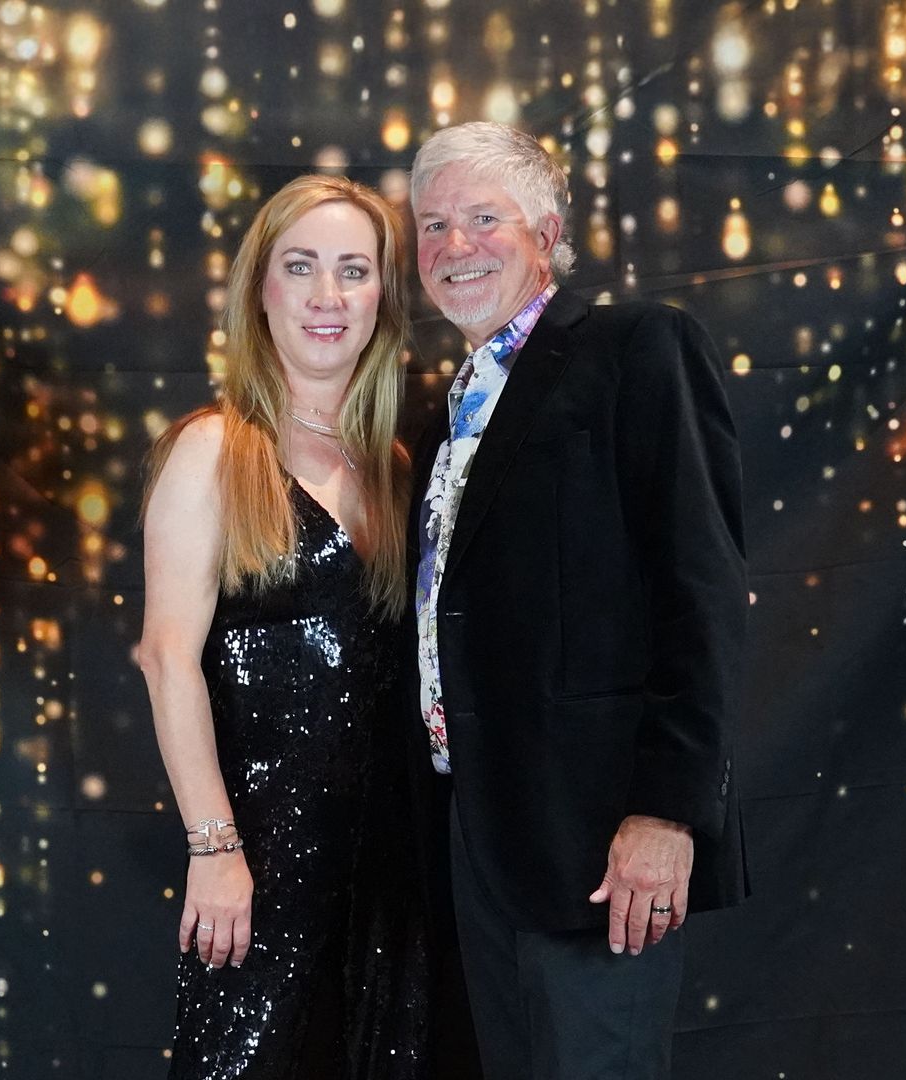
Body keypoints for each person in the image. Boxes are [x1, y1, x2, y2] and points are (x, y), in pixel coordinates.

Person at [405, 121, 750, 1080]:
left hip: (599, 840)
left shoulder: (635, 348)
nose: (456, 245)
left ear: (547, 234)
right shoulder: (445, 414)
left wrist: (667, 813)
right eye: (433, 226)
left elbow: (702, 591)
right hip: (477, 835)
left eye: (485, 219)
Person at [134, 174, 430, 1078]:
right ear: (260, 289)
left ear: (382, 298)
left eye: (354, 270)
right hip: (259, 860)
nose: (327, 295)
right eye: (301, 267)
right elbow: (167, 659)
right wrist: (214, 848)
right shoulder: (214, 451)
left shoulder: (397, 466)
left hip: (389, 866)